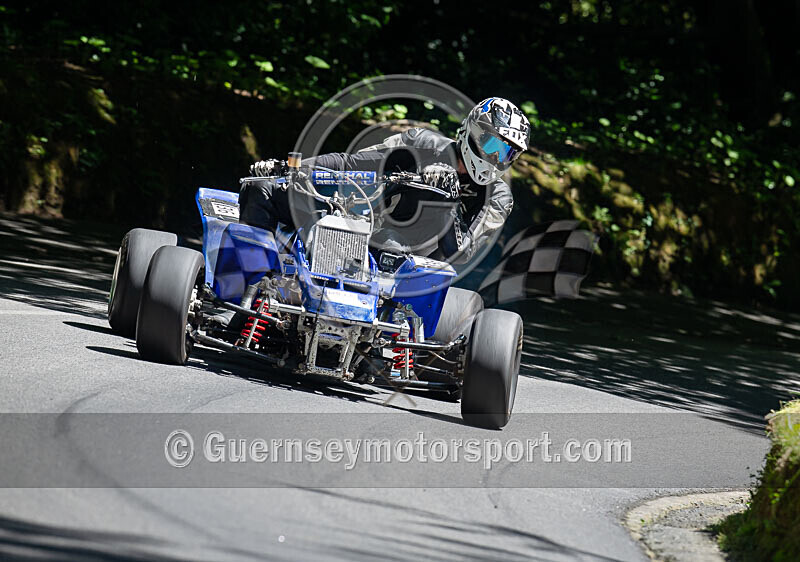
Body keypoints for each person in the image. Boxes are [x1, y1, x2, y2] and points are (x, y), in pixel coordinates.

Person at [240, 97, 530, 263]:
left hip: (409, 260)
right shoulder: (422, 143)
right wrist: (292, 169)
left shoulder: (498, 198)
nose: (498, 158)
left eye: (508, 153)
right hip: (360, 219)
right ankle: (246, 287)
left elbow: (461, 252)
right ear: (474, 132)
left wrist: (449, 198)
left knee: (397, 239)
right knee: (262, 189)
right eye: (494, 145)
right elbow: (351, 164)